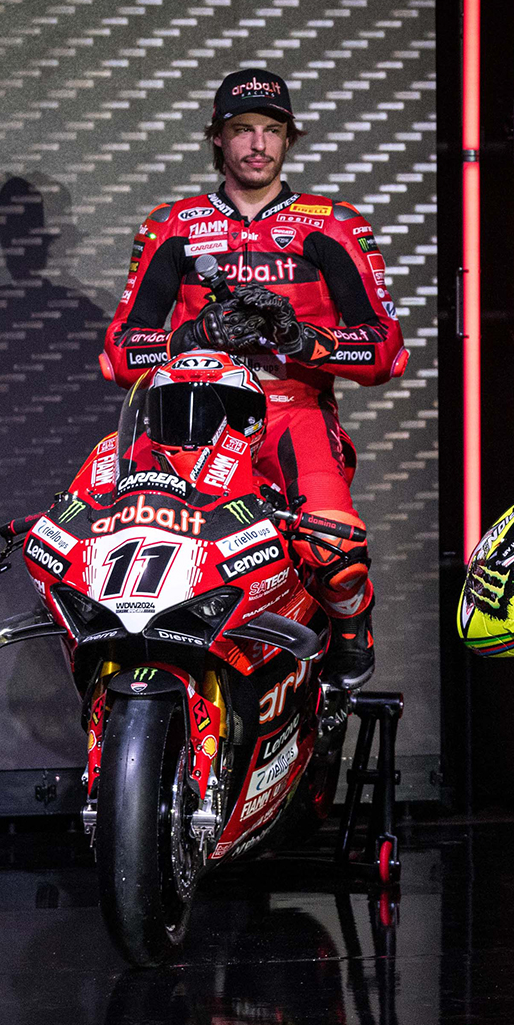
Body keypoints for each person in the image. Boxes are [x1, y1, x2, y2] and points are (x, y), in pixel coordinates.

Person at [102, 69, 408, 689]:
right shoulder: (172, 224)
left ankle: (351, 631)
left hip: (292, 411)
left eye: (271, 129)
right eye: (243, 129)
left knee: (335, 550)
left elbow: (385, 352)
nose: (258, 144)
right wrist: (193, 336)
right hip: (187, 421)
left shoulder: (332, 223)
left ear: (289, 138)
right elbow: (119, 354)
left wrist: (301, 340)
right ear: (218, 138)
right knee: (118, 555)